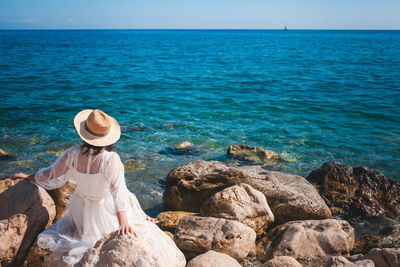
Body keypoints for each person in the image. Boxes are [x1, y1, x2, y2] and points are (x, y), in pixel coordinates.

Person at [10, 109, 186, 266]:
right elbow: (118, 192)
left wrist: (28, 177)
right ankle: (141, 216)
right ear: (107, 137)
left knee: (127, 196)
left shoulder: (72, 153)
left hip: (79, 211)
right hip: (103, 211)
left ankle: (140, 215)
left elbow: (51, 174)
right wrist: (123, 222)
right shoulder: (110, 159)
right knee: (126, 196)